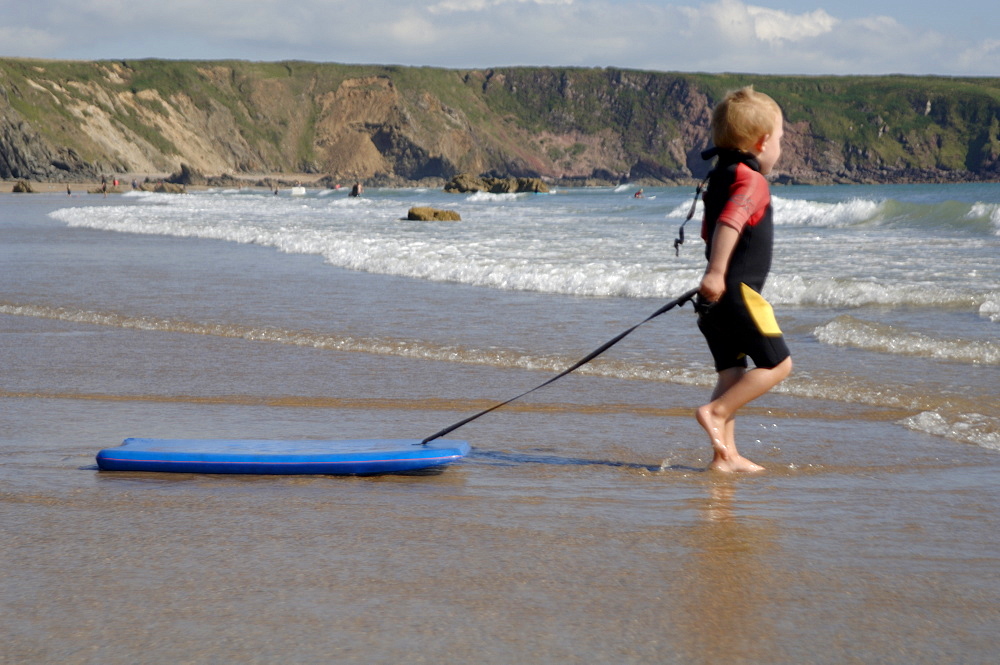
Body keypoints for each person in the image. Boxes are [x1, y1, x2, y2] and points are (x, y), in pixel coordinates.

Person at [693, 86, 792, 473]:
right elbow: (731, 222)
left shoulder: (720, 177)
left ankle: (725, 456)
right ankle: (716, 413)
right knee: (779, 365)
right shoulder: (752, 181)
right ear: (762, 141)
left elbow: (709, 229)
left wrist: (710, 281)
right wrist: (717, 273)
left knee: (732, 373)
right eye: (780, 141)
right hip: (739, 294)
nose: (779, 148)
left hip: (714, 302)